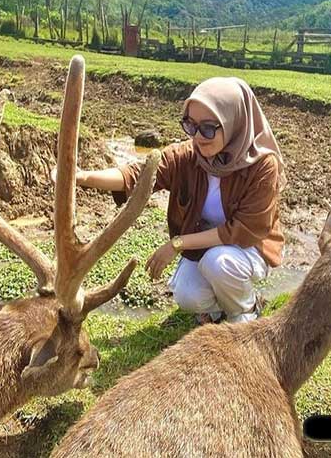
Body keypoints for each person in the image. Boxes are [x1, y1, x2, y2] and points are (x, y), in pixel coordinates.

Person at [70, 76, 286, 324]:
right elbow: (138, 174)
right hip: (205, 247)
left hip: (247, 248)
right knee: (187, 295)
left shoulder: (261, 166)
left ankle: (245, 311)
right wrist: (82, 177)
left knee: (219, 264)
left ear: (234, 122)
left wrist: (177, 244)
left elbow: (243, 231)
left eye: (208, 128)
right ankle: (219, 309)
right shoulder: (188, 156)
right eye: (190, 125)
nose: (198, 137)